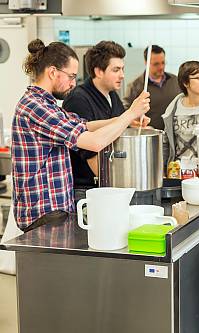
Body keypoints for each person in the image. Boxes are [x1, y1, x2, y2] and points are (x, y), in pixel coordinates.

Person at [12, 39, 150, 232]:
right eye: (71, 76)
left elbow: (84, 125)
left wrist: (125, 120)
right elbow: (93, 142)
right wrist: (129, 114)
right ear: (52, 72)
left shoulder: (48, 105)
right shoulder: (37, 108)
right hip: (44, 214)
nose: (73, 83)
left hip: (54, 212)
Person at [63, 41, 146, 201]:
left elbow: (117, 126)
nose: (122, 75)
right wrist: (118, 189)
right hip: (88, 190)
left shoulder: (112, 95)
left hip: (110, 184)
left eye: (122, 69)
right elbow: (89, 153)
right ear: (98, 71)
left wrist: (131, 121)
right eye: (116, 70)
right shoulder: (78, 99)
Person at [123, 45, 181, 130]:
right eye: (156, 64)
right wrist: (137, 123)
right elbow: (126, 111)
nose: (161, 67)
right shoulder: (135, 86)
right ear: (146, 63)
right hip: (150, 135)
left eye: (163, 63)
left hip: (174, 134)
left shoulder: (176, 81)